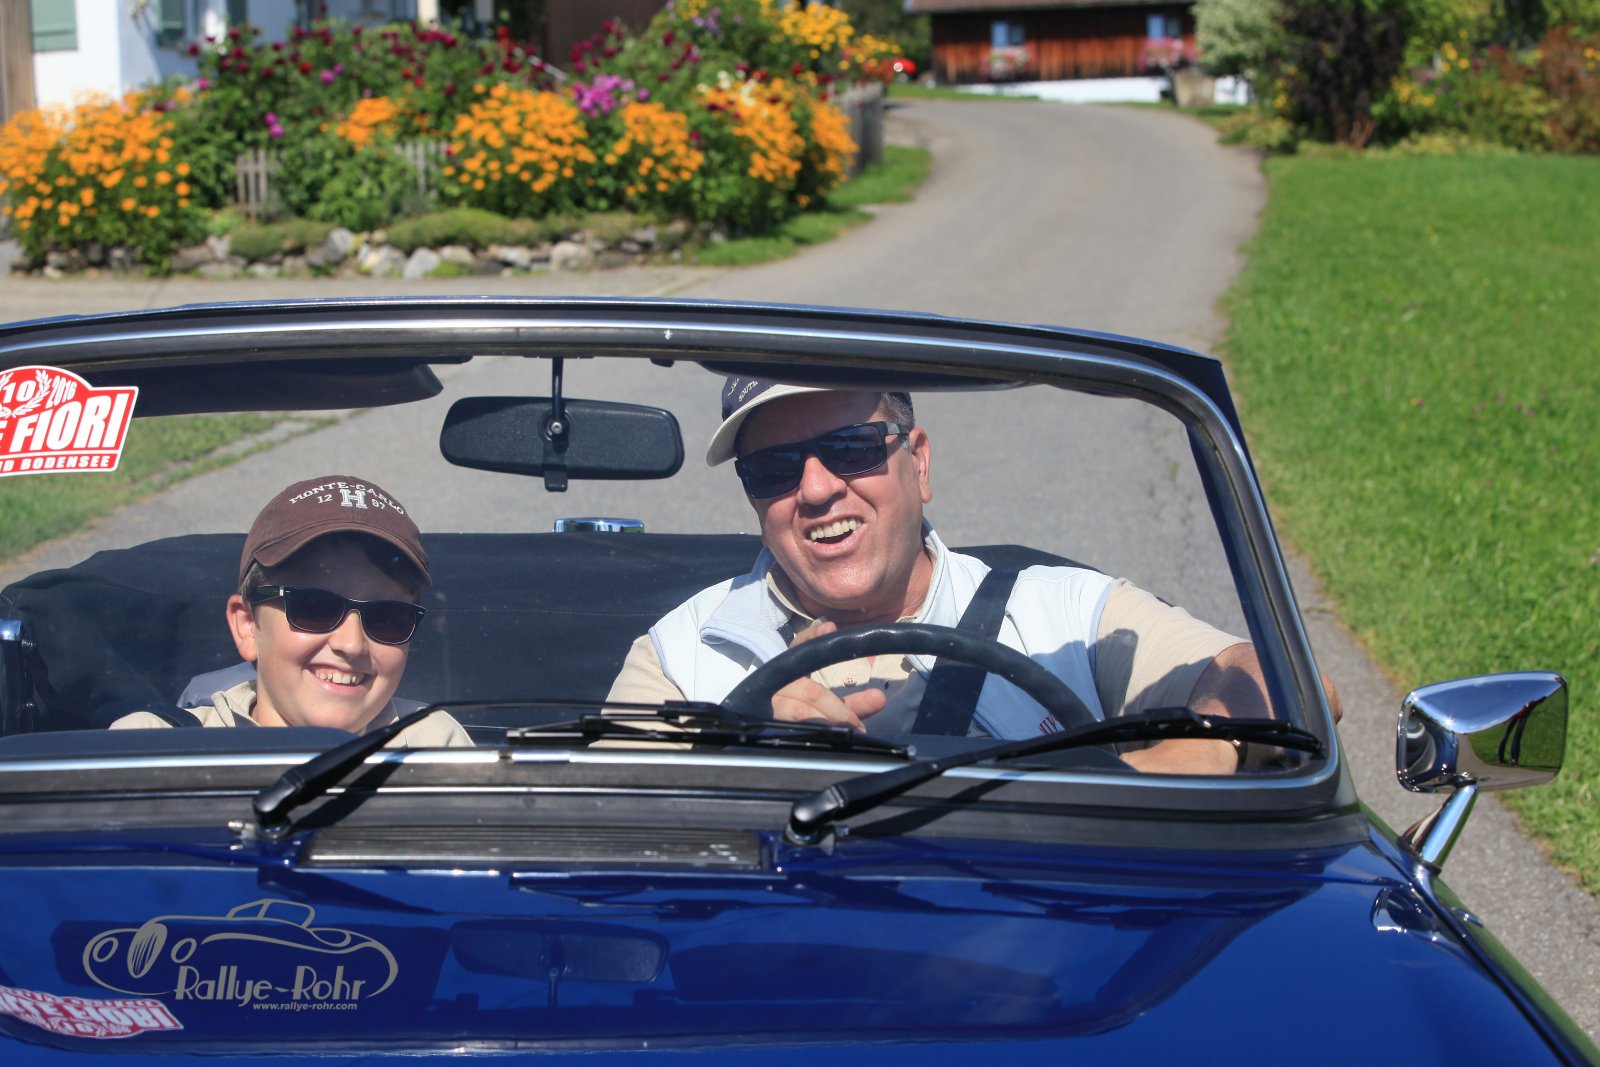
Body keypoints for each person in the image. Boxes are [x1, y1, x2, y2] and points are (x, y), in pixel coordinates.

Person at [607, 379, 1339, 774]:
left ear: (918, 461)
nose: (818, 489)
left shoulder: (1063, 615)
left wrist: (1201, 749)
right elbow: (602, 833)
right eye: (773, 468)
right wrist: (736, 760)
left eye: (853, 448)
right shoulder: (684, 654)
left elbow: (1299, 689)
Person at [112, 474, 471, 747]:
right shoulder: (150, 746)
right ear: (247, 625)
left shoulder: (434, 746)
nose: (352, 644)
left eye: (388, 617)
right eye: (314, 606)